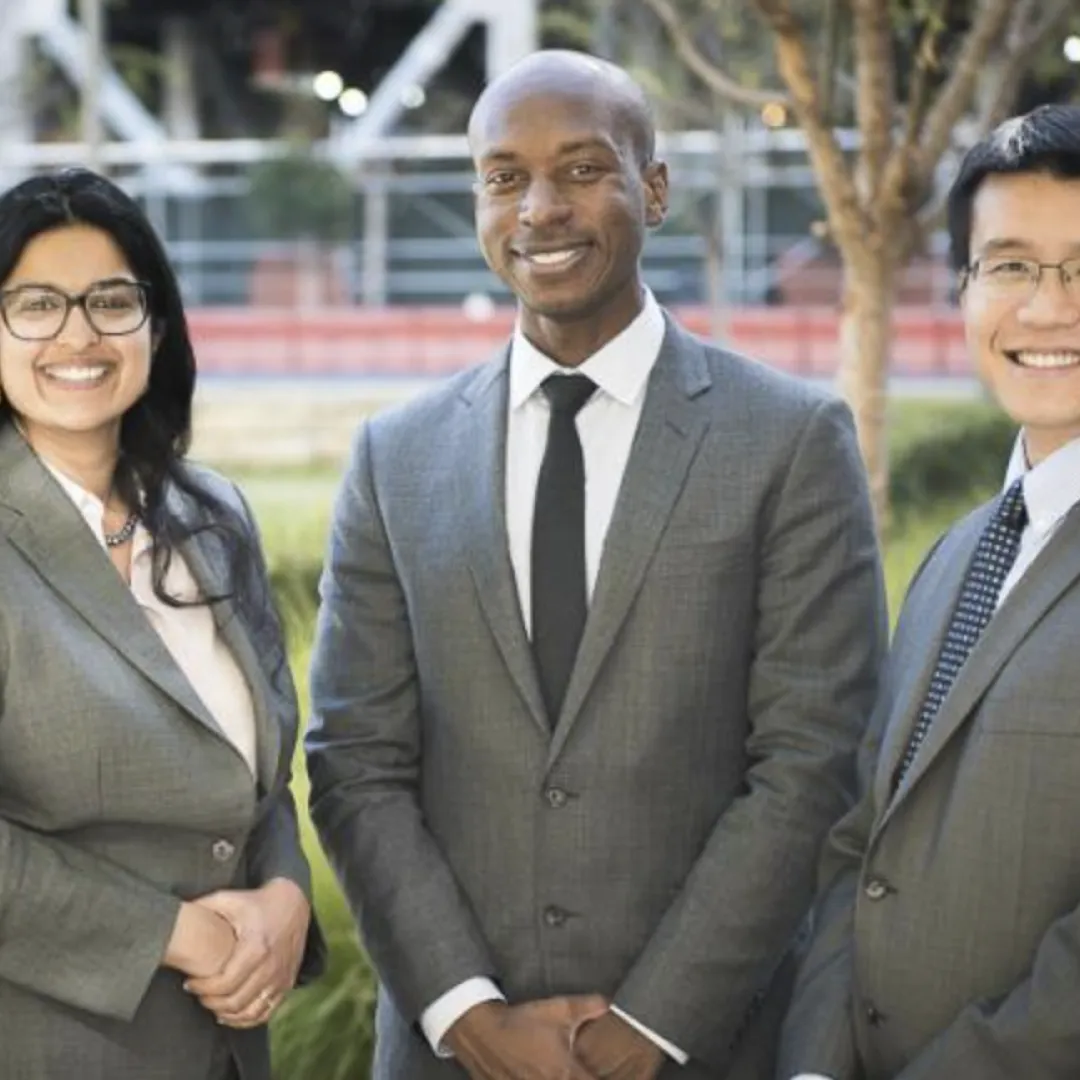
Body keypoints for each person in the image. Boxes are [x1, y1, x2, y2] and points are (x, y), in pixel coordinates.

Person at [307, 49, 885, 1080]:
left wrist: (649, 1029)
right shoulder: (395, 456)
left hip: (707, 1049)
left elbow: (812, 761)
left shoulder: (790, 440)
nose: (540, 209)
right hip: (454, 1055)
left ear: (652, 190)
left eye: (582, 169)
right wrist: (471, 1019)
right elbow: (356, 762)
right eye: (504, 177)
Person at [778, 103, 1080, 1080]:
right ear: (963, 290)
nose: (1048, 308)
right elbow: (861, 843)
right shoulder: (957, 554)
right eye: (1011, 265)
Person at [0, 168, 323, 1080]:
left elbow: (258, 778)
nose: (78, 335)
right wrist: (177, 936)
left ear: (158, 326)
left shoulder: (213, 516)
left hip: (225, 1050)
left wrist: (286, 895)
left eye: (111, 301)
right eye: (36, 305)